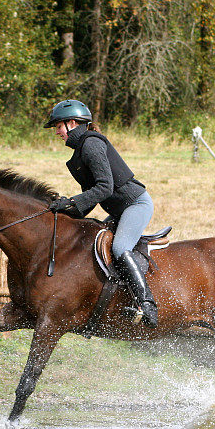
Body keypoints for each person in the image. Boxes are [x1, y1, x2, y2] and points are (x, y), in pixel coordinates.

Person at [43, 99, 157, 328]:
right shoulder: (79, 152)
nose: (57, 132)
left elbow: (105, 187)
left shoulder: (91, 145)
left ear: (72, 123)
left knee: (119, 248)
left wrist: (71, 202)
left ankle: (147, 305)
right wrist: (66, 213)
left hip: (135, 204)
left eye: (58, 126)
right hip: (118, 211)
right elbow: (92, 198)